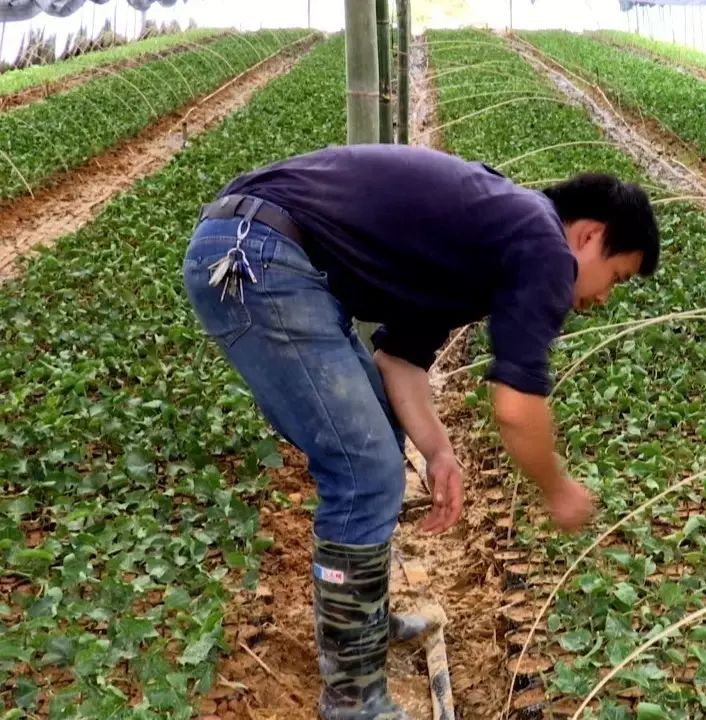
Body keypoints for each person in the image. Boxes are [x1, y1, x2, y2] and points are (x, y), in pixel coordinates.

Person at [181, 144, 660, 719]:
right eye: (617, 274)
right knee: (365, 471)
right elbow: (516, 405)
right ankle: (353, 702)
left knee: (378, 440)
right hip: (260, 255)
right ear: (588, 235)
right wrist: (558, 491)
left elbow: (399, 362)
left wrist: (439, 452)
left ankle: (363, 623)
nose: (603, 297)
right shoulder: (543, 244)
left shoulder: (486, 245)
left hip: (266, 247)